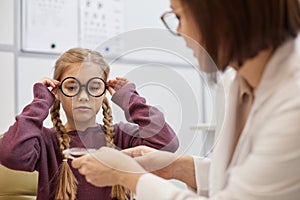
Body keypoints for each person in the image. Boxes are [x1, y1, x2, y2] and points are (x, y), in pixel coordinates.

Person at [71, 0, 300, 199]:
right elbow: (244, 176)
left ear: (222, 16)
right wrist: (176, 166)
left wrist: (129, 176)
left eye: (179, 16)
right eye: (72, 86)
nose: (179, 31)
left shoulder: (293, 106)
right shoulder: (236, 85)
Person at [0, 48, 179, 200]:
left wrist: (130, 99)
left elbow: (167, 143)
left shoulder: (122, 136)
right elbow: (10, 154)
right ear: (58, 92)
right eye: (72, 87)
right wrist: (41, 101)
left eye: (94, 87)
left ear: (103, 93)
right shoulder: (44, 141)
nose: (83, 96)